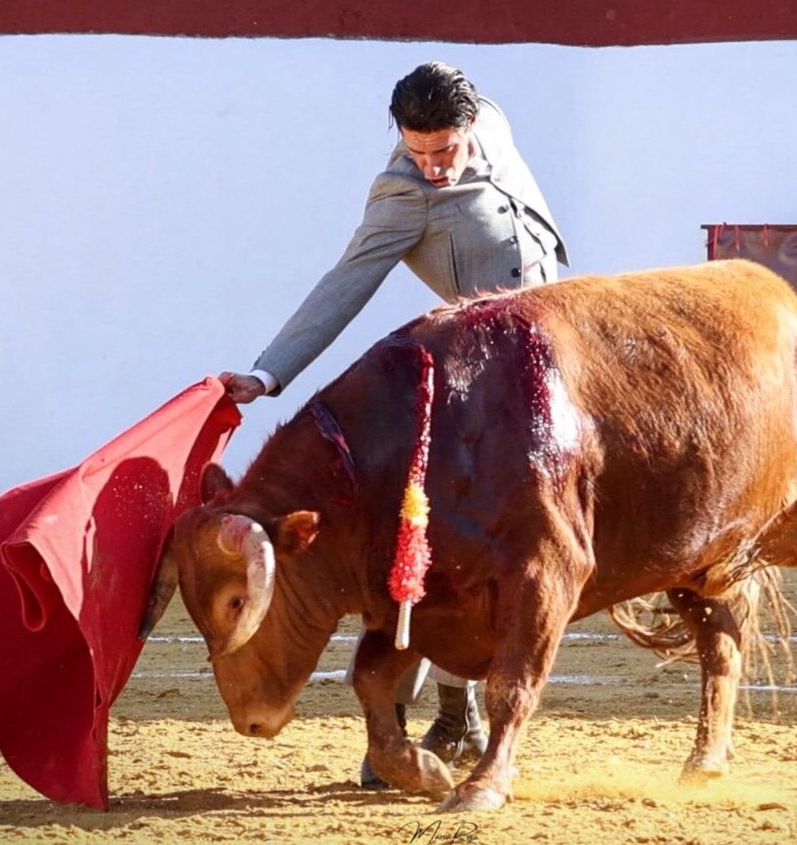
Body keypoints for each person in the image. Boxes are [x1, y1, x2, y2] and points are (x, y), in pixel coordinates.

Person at [219, 61, 568, 788]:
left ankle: (457, 712)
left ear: (472, 126)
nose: (435, 169)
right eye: (419, 152)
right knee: (445, 546)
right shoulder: (402, 195)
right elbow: (342, 285)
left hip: (558, 347)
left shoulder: (490, 117)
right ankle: (424, 720)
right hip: (487, 382)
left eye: (445, 151)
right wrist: (267, 372)